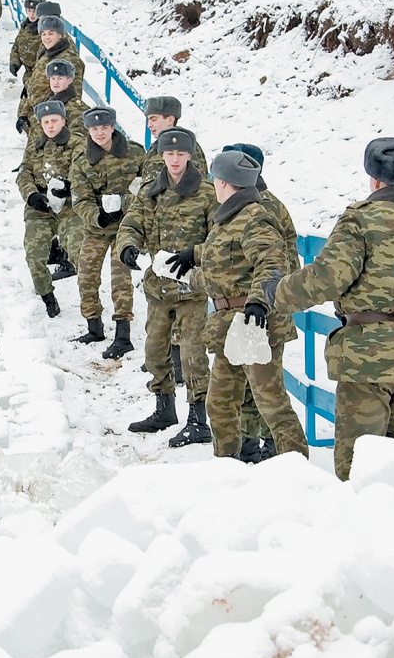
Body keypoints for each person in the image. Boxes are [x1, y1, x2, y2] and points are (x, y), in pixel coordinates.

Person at [266, 137, 394, 481]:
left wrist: (277, 292)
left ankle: (361, 527)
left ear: (375, 179)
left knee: (358, 460)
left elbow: (326, 279)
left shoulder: (362, 220)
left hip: (369, 357)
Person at [168, 150, 309, 459]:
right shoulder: (230, 217)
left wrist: (258, 302)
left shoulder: (254, 217)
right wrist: (192, 259)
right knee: (219, 403)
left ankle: (297, 471)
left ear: (223, 182)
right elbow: (226, 268)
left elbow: (272, 263)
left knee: (271, 404)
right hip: (229, 328)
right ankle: (226, 467)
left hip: (253, 325)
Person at [117, 128, 216, 445]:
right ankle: (164, 410)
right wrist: (128, 247)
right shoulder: (149, 191)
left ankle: (198, 419)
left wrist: (196, 255)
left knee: (192, 354)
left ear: (190, 155)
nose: (174, 159)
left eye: (180, 154)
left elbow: (219, 236)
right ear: (162, 156)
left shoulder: (208, 193)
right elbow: (131, 223)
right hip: (158, 290)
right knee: (155, 352)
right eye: (169, 154)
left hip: (191, 291)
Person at [219, 142, 299, 463]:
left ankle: (277, 450)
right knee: (247, 386)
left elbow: (283, 260)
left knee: (267, 388)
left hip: (265, 310)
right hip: (241, 311)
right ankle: (249, 445)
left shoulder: (265, 208)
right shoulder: (232, 204)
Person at [70, 106, 145, 358]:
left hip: (126, 226)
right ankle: (94, 327)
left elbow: (146, 190)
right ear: (88, 130)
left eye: (104, 127)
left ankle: (123, 335)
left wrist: (125, 204)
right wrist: (98, 216)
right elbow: (80, 199)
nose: (99, 133)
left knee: (121, 279)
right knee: (86, 275)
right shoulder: (81, 160)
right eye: (94, 128)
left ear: (113, 127)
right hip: (97, 227)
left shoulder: (135, 153)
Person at [16, 99, 86, 319]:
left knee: (80, 252)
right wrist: (32, 195)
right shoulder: (35, 145)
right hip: (41, 210)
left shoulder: (77, 144)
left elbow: (86, 174)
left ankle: (90, 302)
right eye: (46, 122)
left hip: (68, 209)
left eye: (54, 120)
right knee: (34, 255)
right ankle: (48, 297)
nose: (50, 125)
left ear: (63, 121)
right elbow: (24, 173)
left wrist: (71, 187)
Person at [18, 11, 86, 139]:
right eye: (43, 34)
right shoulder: (46, 53)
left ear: (60, 35)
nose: (46, 37)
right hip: (37, 116)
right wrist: (24, 113)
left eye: (51, 33)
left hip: (51, 119)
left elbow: (73, 93)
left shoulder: (69, 59)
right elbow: (36, 85)